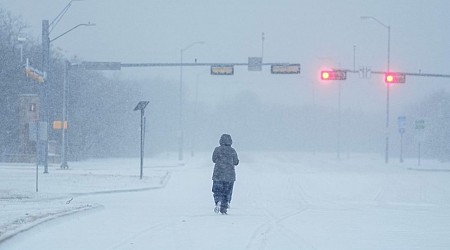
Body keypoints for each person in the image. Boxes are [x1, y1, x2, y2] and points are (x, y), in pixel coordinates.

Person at [211, 134, 239, 214]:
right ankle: (224, 206)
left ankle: (218, 201)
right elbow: (236, 162)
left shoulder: (217, 149)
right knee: (227, 191)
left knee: (217, 190)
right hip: (229, 175)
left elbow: (214, 159)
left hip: (218, 174)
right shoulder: (232, 150)